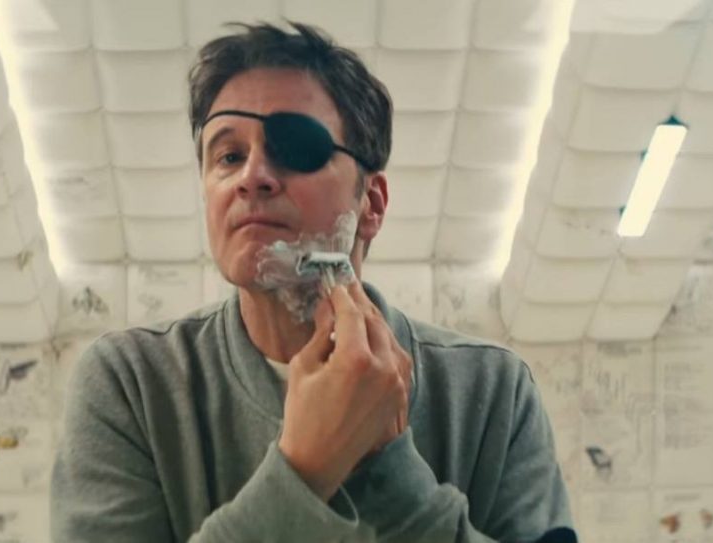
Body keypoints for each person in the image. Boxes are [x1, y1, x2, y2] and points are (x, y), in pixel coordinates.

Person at [51, 21, 577, 543]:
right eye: (229, 156)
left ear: (371, 204)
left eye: (295, 149)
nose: (252, 177)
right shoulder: (131, 385)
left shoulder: (493, 390)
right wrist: (302, 471)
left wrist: (393, 478)